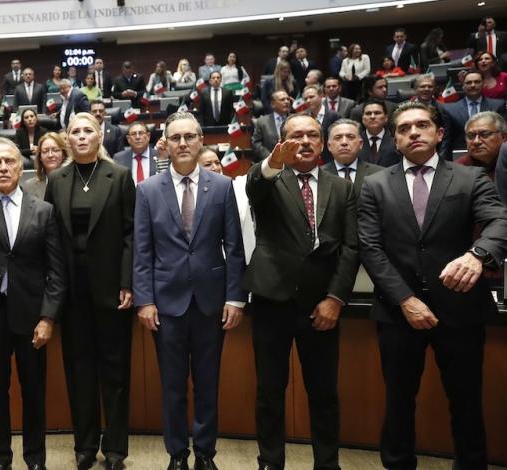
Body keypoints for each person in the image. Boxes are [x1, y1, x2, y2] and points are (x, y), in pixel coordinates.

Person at [358, 101, 507, 470]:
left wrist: (478, 255)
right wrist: (406, 299)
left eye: (422, 125)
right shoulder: (375, 185)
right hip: (398, 313)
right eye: (405, 128)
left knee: (467, 402)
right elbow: (371, 249)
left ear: (440, 134)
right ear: (395, 139)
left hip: (460, 310)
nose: (414, 132)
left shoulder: (469, 178)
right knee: (398, 403)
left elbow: (500, 222)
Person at [245, 113, 358, 470]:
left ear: (322, 144)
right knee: (269, 392)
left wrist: (335, 298)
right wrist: (271, 163)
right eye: (296, 136)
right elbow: (254, 187)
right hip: (271, 302)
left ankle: (327, 463)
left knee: (324, 394)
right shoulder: (270, 179)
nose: (305, 141)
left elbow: (350, 248)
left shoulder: (342, 188)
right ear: (282, 142)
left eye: (312, 135)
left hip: (321, 305)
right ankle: (270, 462)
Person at [134, 111, 246, 470]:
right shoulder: (148, 190)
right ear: (165, 144)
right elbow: (142, 251)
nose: (183, 143)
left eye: (190, 137)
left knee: (207, 385)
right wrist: (145, 300)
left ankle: (205, 455)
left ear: (202, 141)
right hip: (166, 305)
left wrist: (234, 297)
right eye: (176, 137)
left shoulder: (223, 186)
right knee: (172, 387)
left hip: (211, 303)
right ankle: (177, 455)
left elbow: (234, 246)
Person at [0, 138, 65, 470]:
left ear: (21, 167)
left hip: (31, 314)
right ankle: (0, 459)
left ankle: (35, 460)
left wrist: (48, 317)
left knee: (34, 391)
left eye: (9, 162)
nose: (3, 168)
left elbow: (56, 271)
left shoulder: (44, 210)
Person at [44, 112, 135, 470]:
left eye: (88, 131)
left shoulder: (120, 176)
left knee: (115, 371)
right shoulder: (57, 178)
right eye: (75, 132)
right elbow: (52, 237)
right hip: (71, 290)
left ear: (100, 137)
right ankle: (84, 445)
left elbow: (131, 234)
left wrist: (127, 282)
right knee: (78, 369)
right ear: (67, 139)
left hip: (112, 288)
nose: (81, 137)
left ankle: (115, 448)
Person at [440, 70, 505, 158]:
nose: (473, 85)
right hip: (461, 157)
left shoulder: (497, 106)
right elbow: (446, 139)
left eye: (477, 82)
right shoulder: (450, 109)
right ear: (463, 86)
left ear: (484, 84)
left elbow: (503, 135)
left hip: (492, 156)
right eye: (469, 82)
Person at [322, 118, 384, 194]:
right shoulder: (319, 175)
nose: (344, 142)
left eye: (350, 137)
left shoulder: (379, 174)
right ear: (329, 146)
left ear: (360, 144)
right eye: (338, 137)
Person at [457, 111, 505, 183]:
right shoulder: (458, 169)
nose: (476, 141)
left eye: (484, 134)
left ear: (504, 137)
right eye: (471, 136)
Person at [251, 90, 291, 162]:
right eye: (282, 99)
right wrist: (271, 157)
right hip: (269, 162)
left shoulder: (295, 119)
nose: (287, 102)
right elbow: (256, 143)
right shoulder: (262, 122)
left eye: (288, 99)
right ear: (273, 104)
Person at [22, 132, 65, 200]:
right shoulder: (28, 186)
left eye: (55, 150)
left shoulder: (76, 183)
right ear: (40, 157)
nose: (50, 155)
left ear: (63, 155)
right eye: (45, 151)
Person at [358, 100, 401, 167]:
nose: (372, 117)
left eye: (377, 113)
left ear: (386, 118)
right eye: (368, 113)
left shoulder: (396, 139)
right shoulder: (355, 140)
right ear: (362, 118)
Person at [113, 121, 158, 185]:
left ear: (148, 136)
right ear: (128, 139)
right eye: (134, 134)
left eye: (141, 133)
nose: (137, 137)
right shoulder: (119, 158)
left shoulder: (159, 155)